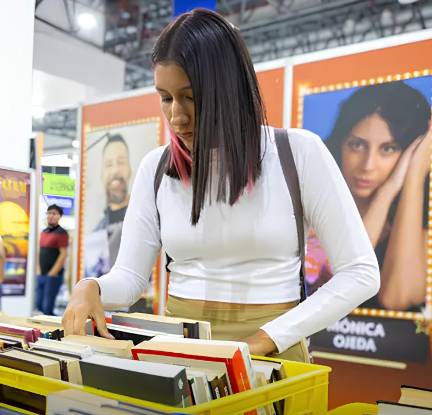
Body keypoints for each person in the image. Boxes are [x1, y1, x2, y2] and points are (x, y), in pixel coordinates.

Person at [62, 9, 380, 362]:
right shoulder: (157, 168)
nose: (176, 116)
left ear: (228, 90)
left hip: (272, 355)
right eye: (166, 97)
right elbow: (130, 276)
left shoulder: (297, 152)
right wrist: (90, 287)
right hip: (180, 354)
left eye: (191, 97)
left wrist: (266, 338)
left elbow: (360, 272)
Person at [307, 82, 431, 311]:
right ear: (339, 144)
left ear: (409, 152)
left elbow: (397, 299)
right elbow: (335, 284)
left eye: (388, 149)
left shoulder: (419, 229)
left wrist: (414, 173)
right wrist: (389, 189)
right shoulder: (314, 217)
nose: (368, 165)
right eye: (357, 145)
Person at [85, 134, 132, 277]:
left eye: (121, 162)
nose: (115, 170)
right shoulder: (94, 234)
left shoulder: (145, 221)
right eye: (109, 165)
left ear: (130, 170)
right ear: (102, 175)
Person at [36, 204, 69, 315]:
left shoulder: (62, 233)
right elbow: (40, 251)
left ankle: (51, 331)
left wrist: (52, 273)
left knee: (47, 307)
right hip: (42, 273)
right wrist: (39, 269)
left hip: (53, 275)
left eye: (54, 213)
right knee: (38, 304)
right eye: (49, 213)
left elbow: (63, 254)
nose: (51, 216)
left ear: (59, 216)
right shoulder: (44, 231)